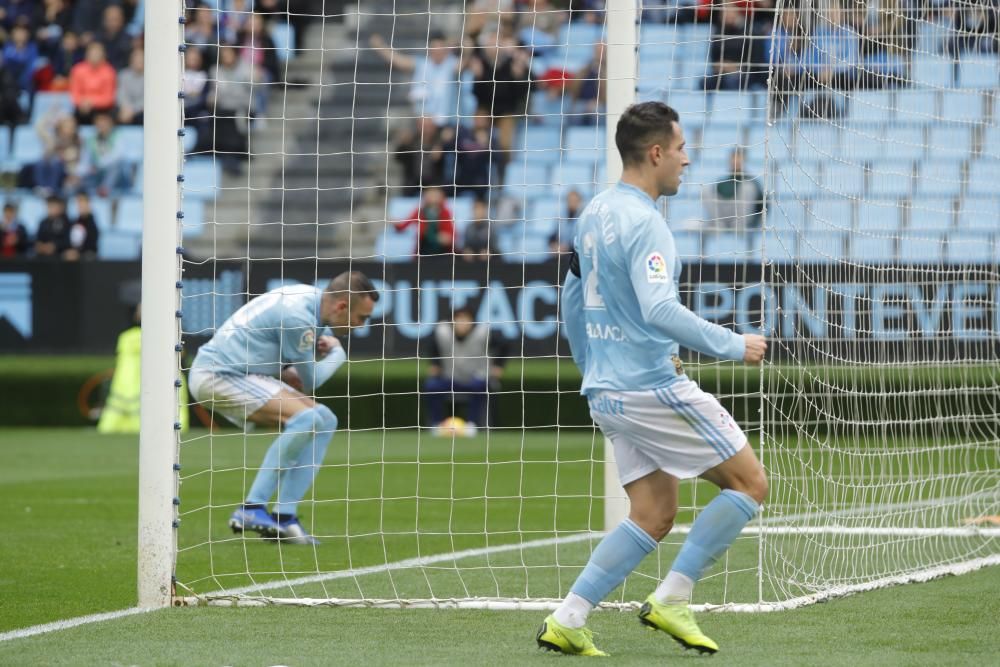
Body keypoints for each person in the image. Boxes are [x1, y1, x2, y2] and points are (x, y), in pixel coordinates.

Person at [536, 101, 768, 656]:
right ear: (657, 152)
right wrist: (736, 344)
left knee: (655, 513)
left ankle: (568, 618)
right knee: (750, 483)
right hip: (648, 386)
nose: (688, 161)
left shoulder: (594, 211)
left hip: (608, 390)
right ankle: (672, 599)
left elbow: (569, 290)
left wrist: (589, 364)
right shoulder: (647, 223)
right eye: (682, 149)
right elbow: (662, 310)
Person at [189, 271, 379, 544]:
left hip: (241, 373)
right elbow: (310, 381)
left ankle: (284, 519)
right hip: (218, 375)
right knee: (307, 418)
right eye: (361, 318)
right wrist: (338, 354)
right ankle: (252, 508)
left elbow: (276, 355)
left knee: (325, 420)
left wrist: (287, 367)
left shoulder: (308, 301)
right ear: (341, 307)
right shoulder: (299, 318)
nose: (360, 326)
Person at [424, 308, 507, 435]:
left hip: (476, 377)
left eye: (465, 319)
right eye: (458, 319)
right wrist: (435, 364)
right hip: (449, 377)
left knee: (480, 386)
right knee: (431, 386)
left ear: (472, 321)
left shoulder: (483, 332)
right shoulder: (442, 331)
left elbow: (505, 345)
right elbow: (432, 346)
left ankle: (472, 424)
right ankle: (437, 424)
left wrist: (498, 366)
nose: (462, 323)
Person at [701, 148, 764, 232]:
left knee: (747, 187)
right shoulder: (722, 182)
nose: (736, 161)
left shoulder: (752, 181)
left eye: (739, 158)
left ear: (744, 160)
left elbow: (763, 205)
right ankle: (718, 225)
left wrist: (756, 222)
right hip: (724, 215)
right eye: (733, 158)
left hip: (744, 219)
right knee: (706, 189)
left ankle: (739, 226)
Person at [393, 186, 455, 256]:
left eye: (435, 195)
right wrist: (396, 223)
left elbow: (451, 234)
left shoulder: (445, 212)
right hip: (424, 248)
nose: (433, 197)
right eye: (430, 194)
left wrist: (447, 237)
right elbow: (402, 226)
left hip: (442, 250)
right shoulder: (419, 212)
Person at [69, 41, 117, 124]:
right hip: (82, 107)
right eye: (92, 53)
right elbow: (74, 94)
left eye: (97, 53)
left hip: (103, 109)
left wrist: (91, 102)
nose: (95, 56)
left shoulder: (109, 71)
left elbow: (109, 98)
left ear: (103, 56)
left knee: (109, 115)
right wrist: (82, 102)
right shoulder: (77, 70)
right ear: (86, 55)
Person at [66, 191, 100, 260]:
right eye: (78, 202)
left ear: (88, 203)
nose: (80, 205)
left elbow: (92, 244)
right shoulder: (74, 222)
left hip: (87, 255)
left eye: (83, 201)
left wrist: (78, 252)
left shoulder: (92, 222)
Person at [548, 189, 583, 254]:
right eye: (570, 200)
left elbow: (581, 241)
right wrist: (553, 245)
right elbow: (553, 235)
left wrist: (567, 247)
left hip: (574, 254)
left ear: (579, 201)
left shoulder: (583, 218)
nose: (572, 202)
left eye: (575, 200)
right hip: (560, 252)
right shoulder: (561, 216)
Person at [116, 47, 144, 125]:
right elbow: (121, 94)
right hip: (125, 109)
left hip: (140, 110)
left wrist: (133, 110)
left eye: (141, 60)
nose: (139, 62)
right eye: (136, 59)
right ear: (131, 61)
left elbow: (147, 100)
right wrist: (125, 107)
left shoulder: (151, 78)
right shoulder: (123, 75)